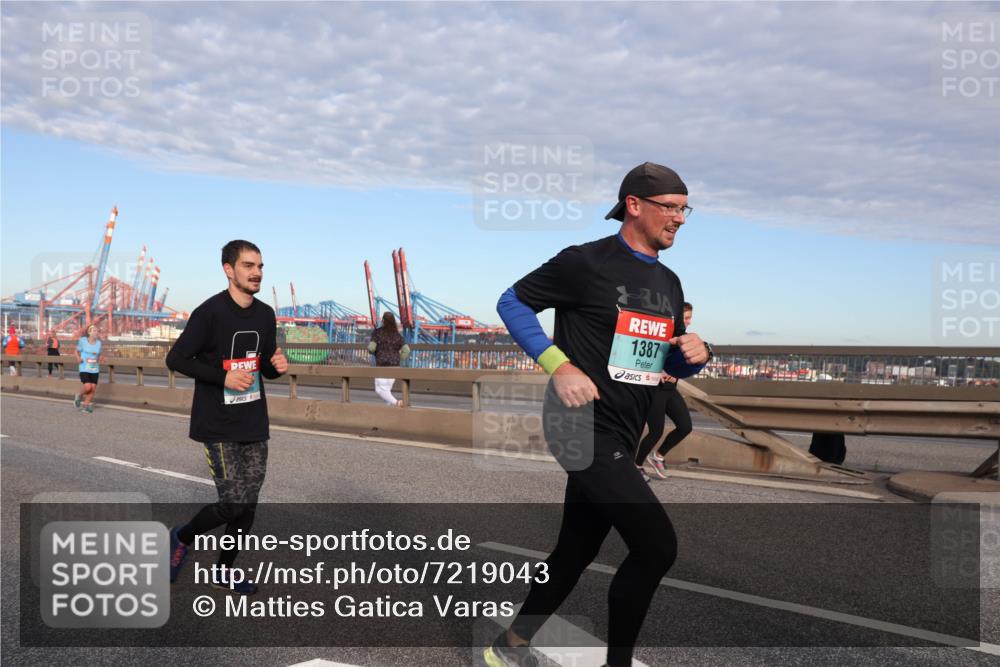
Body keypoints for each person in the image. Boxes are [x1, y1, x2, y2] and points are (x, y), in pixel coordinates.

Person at [491, 162, 712, 667]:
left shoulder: (671, 283)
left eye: (685, 210)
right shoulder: (587, 262)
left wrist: (696, 355)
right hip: (579, 424)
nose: (679, 219)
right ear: (634, 205)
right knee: (657, 548)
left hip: (622, 429)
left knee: (575, 550)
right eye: (670, 208)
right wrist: (559, 364)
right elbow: (512, 301)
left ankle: (510, 645)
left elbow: (659, 363)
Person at [164, 240, 288, 595]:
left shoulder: (265, 314)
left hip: (253, 419)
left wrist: (275, 368)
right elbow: (177, 359)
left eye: (260, 266)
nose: (257, 273)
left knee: (248, 504)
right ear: (229, 270)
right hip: (217, 423)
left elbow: (261, 363)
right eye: (249, 266)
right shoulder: (210, 313)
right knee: (232, 502)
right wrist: (223, 377)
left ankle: (223, 571)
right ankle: (182, 537)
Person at [637, 302, 697, 479]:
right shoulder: (660, 335)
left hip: (671, 390)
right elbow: (642, 357)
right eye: (686, 318)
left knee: (685, 426)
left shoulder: (684, 338)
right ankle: (636, 465)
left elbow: (684, 364)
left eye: (690, 318)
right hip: (654, 390)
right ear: (678, 318)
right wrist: (659, 371)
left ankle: (658, 457)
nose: (689, 322)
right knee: (656, 431)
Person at [368, 311, 411, 406]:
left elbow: (371, 348)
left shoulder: (377, 333)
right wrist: (399, 358)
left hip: (382, 365)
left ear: (383, 321)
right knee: (387, 390)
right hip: (395, 365)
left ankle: (397, 403)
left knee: (379, 390)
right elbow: (407, 350)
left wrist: (374, 353)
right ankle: (389, 414)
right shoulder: (397, 335)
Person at [74, 325, 103, 413]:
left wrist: (101, 358)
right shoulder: (83, 340)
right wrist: (78, 358)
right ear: (89, 332)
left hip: (94, 368)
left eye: (97, 331)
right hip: (84, 367)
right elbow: (76, 351)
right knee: (88, 387)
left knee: (93, 389)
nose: (96, 332)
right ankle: (79, 395)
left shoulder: (99, 343)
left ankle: (85, 406)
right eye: (94, 331)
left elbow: (98, 354)